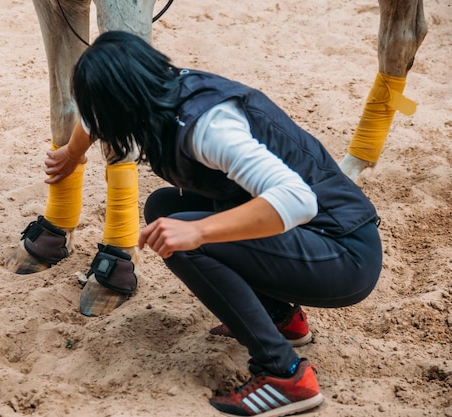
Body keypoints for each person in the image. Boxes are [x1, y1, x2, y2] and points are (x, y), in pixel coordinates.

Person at [44, 30, 383, 417]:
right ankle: (282, 318)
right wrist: (72, 155)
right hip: (312, 239)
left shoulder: (209, 127)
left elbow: (297, 200)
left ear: (122, 102)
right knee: (163, 208)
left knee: (186, 236)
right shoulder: (160, 89)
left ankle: (285, 375)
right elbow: (94, 118)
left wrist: (199, 231)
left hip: (342, 255)